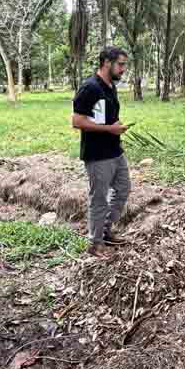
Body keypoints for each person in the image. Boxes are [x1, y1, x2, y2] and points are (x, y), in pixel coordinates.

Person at [71, 46, 132, 258]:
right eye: (120, 64)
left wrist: (117, 126)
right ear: (107, 62)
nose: (123, 69)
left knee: (123, 189)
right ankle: (95, 243)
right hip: (97, 154)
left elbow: (105, 116)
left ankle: (105, 231)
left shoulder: (110, 86)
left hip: (115, 150)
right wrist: (109, 129)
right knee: (99, 199)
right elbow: (77, 121)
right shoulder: (90, 88)